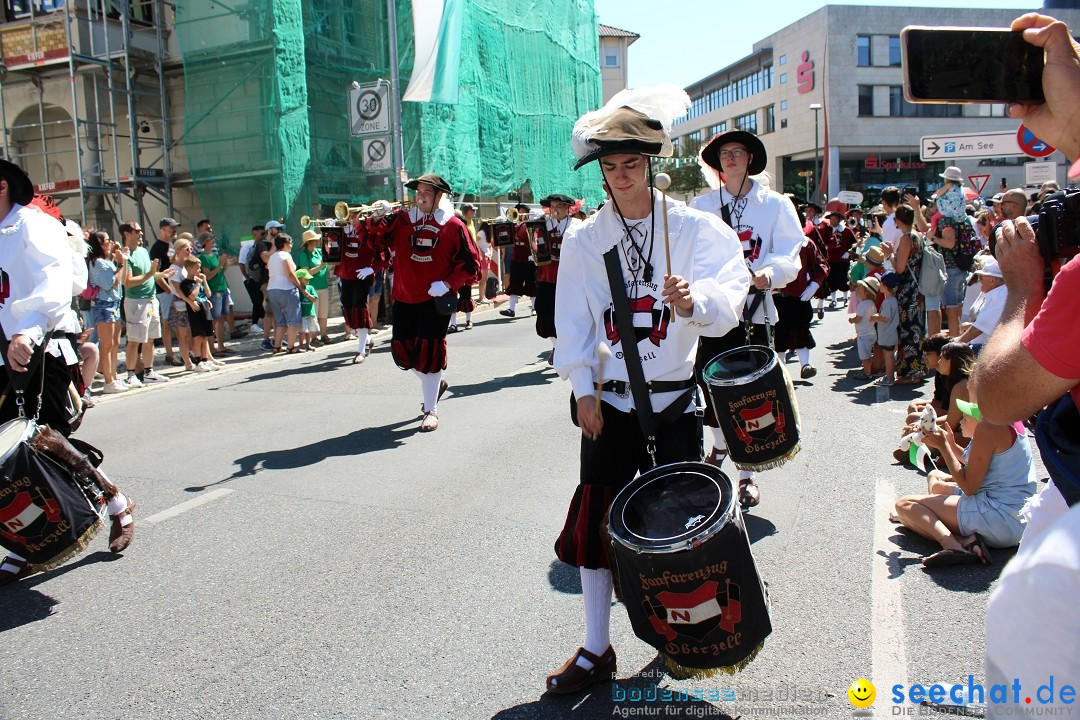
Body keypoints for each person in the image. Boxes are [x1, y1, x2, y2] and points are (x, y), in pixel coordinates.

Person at [547, 86, 749, 696]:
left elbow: (731, 292)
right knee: (598, 525)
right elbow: (574, 319)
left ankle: (682, 633)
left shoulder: (693, 228)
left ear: (650, 164)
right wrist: (583, 388)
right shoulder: (584, 237)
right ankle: (596, 647)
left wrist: (699, 300)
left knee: (680, 530)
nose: (620, 178)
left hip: (674, 400)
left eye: (631, 165)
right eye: (609, 168)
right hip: (610, 401)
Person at [0, 161, 135, 585]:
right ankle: (24, 545)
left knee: (47, 440)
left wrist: (29, 331)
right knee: (8, 452)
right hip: (4, 351)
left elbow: (57, 282)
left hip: (39, 344)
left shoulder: (30, 224)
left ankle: (116, 502)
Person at [689, 127, 803, 507]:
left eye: (738, 152)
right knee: (710, 388)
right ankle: (720, 447)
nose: (731, 158)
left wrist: (769, 274)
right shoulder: (702, 206)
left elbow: (790, 255)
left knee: (750, 393)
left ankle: (746, 474)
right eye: (724, 154)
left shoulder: (775, 205)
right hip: (712, 313)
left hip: (755, 312)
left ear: (750, 158)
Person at [372, 174, 479, 432]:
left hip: (435, 300)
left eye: (427, 192)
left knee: (429, 355)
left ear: (439, 196)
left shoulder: (454, 226)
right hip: (405, 297)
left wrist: (448, 283)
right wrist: (378, 218)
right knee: (403, 353)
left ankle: (431, 410)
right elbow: (377, 242)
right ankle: (436, 382)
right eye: (418, 191)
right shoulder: (401, 220)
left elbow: (471, 265)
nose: (420, 196)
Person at [895, 392, 1037, 566]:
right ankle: (961, 534)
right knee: (935, 477)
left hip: (999, 518)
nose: (961, 421)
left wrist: (944, 447)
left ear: (980, 421)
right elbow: (977, 463)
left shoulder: (987, 429)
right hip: (1017, 516)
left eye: (966, 418)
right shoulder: (1008, 420)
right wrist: (951, 444)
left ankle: (956, 544)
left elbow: (969, 487)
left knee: (904, 505)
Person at [773, 198, 827, 379]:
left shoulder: (806, 244)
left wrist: (814, 285)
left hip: (798, 296)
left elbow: (821, 267)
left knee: (801, 330)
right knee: (780, 334)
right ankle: (782, 372)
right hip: (777, 296)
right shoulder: (773, 244)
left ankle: (805, 366)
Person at [119, 220, 170, 387]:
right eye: (137, 230)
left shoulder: (142, 251)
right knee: (134, 340)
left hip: (150, 299)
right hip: (136, 302)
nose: (141, 233)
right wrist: (150, 274)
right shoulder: (126, 254)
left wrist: (160, 275)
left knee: (150, 338)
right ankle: (130, 374)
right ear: (127, 234)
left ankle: (149, 372)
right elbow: (128, 282)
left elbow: (149, 276)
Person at [533, 193, 578, 361]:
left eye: (558, 207)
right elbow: (525, 236)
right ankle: (557, 346)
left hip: (570, 278)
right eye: (552, 207)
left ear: (567, 209)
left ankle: (567, 346)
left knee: (568, 314)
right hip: (547, 277)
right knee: (544, 312)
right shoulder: (542, 224)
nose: (555, 210)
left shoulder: (577, 225)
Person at [86, 230, 129, 393]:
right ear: (99, 244)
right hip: (104, 305)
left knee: (115, 343)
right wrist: (120, 263)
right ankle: (108, 381)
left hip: (114, 303)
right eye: (107, 241)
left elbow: (120, 279)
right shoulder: (97, 263)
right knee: (107, 344)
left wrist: (118, 260)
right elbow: (111, 283)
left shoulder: (107, 261)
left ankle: (114, 377)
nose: (111, 243)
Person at [955, 255, 1007, 354]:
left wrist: (956, 342)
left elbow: (979, 328)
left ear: (992, 280)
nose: (979, 280)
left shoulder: (1000, 294)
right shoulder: (995, 293)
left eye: (982, 277)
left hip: (990, 350)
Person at [150, 217, 182, 366]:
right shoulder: (157, 248)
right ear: (162, 229)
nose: (174, 231)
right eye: (171, 229)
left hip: (172, 288)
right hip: (164, 291)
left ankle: (179, 353)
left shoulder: (170, 245)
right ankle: (169, 354)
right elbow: (156, 274)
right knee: (167, 322)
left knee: (176, 322)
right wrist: (168, 289)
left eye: (175, 229)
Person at [197, 232, 234, 357]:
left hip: (222, 288)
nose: (213, 241)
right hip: (214, 290)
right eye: (211, 239)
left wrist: (225, 264)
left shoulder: (215, 255)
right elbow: (208, 276)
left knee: (222, 317)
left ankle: (221, 345)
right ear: (205, 242)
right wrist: (220, 265)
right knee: (214, 319)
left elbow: (221, 271)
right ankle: (210, 347)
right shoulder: (203, 258)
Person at [179, 256, 220, 370]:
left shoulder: (200, 281)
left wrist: (204, 281)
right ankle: (197, 361)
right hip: (195, 311)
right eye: (197, 268)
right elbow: (192, 296)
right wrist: (197, 284)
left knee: (206, 336)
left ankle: (205, 360)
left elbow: (208, 293)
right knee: (198, 337)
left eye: (199, 268)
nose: (199, 271)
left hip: (205, 309)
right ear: (189, 269)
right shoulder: (186, 283)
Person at [266, 233, 302, 353]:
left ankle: (277, 346)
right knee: (293, 319)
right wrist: (300, 286)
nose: (291, 245)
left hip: (272, 289)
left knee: (280, 320)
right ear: (285, 244)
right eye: (290, 243)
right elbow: (290, 274)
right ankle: (291, 347)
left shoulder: (272, 257)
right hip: (286, 288)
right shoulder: (286, 256)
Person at [500, 202, 537, 318]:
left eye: (521, 211)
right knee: (515, 283)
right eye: (518, 211)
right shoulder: (514, 225)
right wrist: (502, 224)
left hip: (528, 256)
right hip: (517, 256)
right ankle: (511, 309)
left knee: (531, 283)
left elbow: (534, 239)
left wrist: (533, 253)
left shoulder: (530, 224)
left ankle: (534, 308)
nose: (518, 213)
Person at [297, 229, 330, 344]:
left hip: (323, 285)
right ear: (308, 242)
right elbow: (306, 273)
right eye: (314, 240)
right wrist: (321, 266)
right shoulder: (303, 255)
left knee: (323, 313)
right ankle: (314, 337)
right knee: (314, 312)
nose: (317, 241)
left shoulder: (320, 252)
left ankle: (324, 335)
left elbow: (329, 264)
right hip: (312, 287)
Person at [872, 272, 900, 386]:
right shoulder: (893, 300)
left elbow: (886, 318)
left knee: (889, 357)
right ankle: (889, 376)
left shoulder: (888, 302)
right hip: (890, 333)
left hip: (887, 334)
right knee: (890, 356)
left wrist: (876, 317)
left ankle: (889, 378)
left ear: (885, 286)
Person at [849, 276, 879, 380]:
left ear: (866, 292)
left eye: (859, 288)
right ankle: (870, 370)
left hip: (864, 334)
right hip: (871, 332)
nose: (856, 289)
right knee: (868, 353)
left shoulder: (862, 305)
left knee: (864, 356)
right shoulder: (871, 304)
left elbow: (858, 319)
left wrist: (852, 320)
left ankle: (867, 373)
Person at [242, 224, 266, 334]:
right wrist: (247, 277)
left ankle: (258, 322)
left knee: (259, 300)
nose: (263, 236)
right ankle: (256, 323)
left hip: (260, 278)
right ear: (254, 234)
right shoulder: (247, 247)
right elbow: (241, 263)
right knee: (256, 301)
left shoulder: (263, 245)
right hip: (250, 278)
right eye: (261, 234)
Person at [294, 269, 318, 351]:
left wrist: (306, 294)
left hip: (310, 313)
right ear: (299, 279)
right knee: (302, 331)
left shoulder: (310, 288)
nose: (308, 280)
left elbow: (314, 299)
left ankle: (308, 344)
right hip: (302, 314)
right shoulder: (296, 289)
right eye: (306, 279)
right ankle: (301, 345)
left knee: (310, 331)